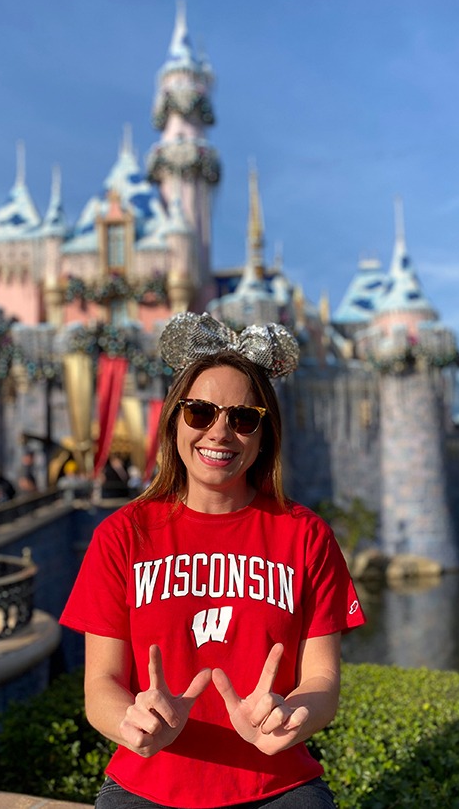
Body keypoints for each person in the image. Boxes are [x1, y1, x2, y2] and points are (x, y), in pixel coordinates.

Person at [60, 312, 365, 809]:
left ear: (264, 434)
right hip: (147, 783)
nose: (220, 433)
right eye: (200, 412)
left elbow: (323, 681)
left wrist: (292, 716)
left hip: (278, 784)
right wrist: (131, 723)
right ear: (174, 418)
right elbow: (101, 685)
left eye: (244, 418)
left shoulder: (305, 536)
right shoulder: (122, 536)